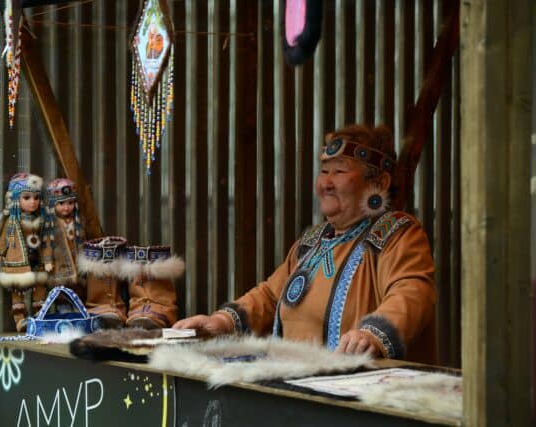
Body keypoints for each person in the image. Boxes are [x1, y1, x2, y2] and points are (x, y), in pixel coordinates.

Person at [174, 124, 437, 364]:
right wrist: (222, 321)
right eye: (324, 171)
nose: (326, 183)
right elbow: (269, 295)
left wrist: (372, 335)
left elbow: (411, 290)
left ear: (379, 182)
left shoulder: (396, 233)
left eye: (339, 171)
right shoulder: (312, 241)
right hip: (298, 386)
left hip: (359, 390)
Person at [0, 172, 48, 332]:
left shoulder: (41, 220)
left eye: (36, 198)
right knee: (18, 289)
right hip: (17, 260)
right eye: (27, 198)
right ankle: (20, 319)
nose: (32, 202)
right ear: (16, 199)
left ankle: (39, 316)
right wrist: (0, 253)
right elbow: (4, 238)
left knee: (39, 287)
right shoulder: (11, 221)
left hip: (36, 260)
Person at [42, 178, 85, 308]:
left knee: (77, 289)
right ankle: (63, 308)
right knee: (61, 290)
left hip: (76, 260)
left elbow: (82, 240)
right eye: (61, 203)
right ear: (53, 204)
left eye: (70, 203)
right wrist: (48, 260)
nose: (66, 207)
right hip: (60, 263)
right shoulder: (51, 223)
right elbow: (47, 243)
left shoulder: (77, 221)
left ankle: (77, 308)